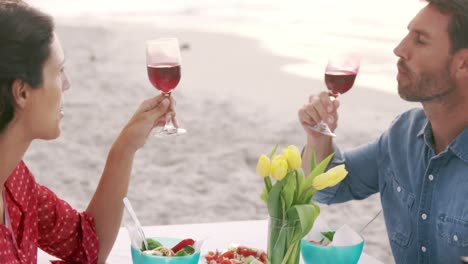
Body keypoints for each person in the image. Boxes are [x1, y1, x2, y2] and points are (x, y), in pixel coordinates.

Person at [0, 1, 176, 263]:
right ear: (22, 92)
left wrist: (125, 147)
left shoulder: (16, 181)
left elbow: (86, 247)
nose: (67, 83)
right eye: (59, 71)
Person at [298, 0, 468, 263]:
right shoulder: (403, 134)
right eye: (408, 34)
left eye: (420, 40)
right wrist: (319, 137)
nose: (399, 49)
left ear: (463, 64)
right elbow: (331, 188)